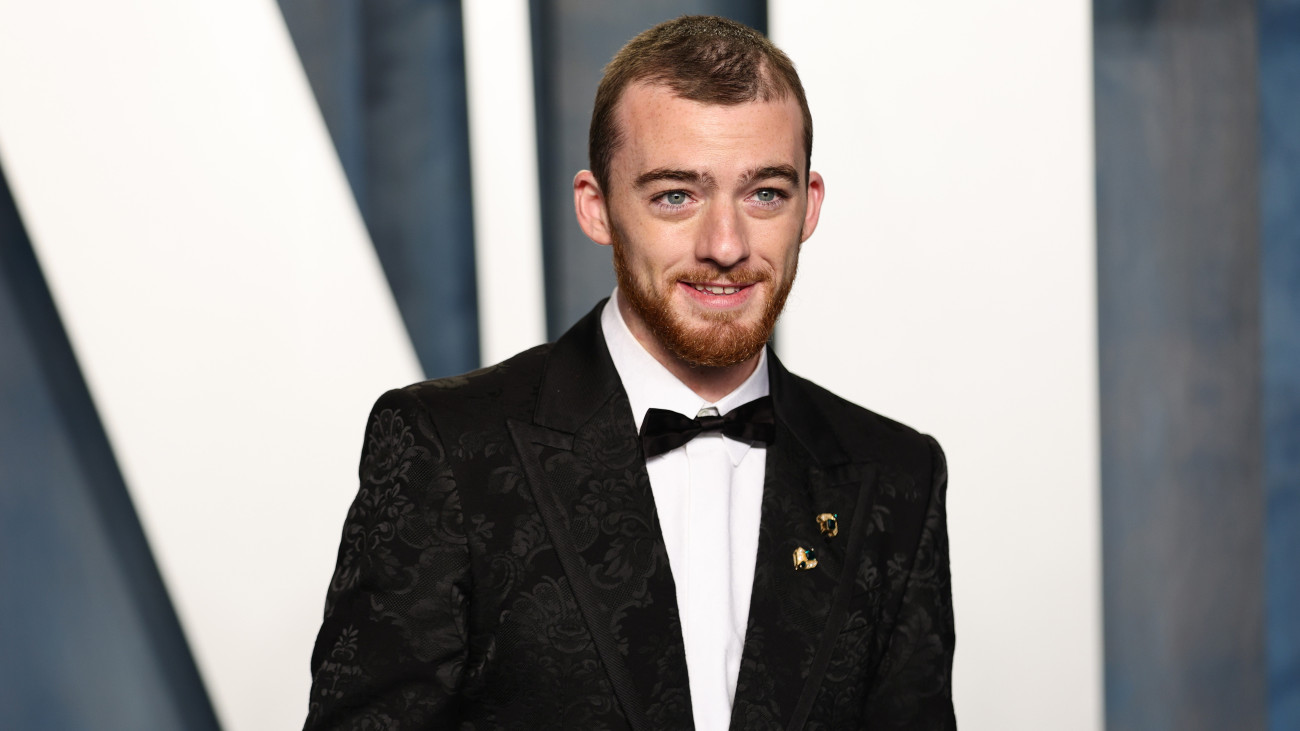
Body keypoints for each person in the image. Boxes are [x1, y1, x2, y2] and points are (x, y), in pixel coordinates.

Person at [305, 14, 953, 730]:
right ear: (598, 208)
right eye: (676, 194)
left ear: (809, 205)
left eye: (765, 192)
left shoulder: (897, 476)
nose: (726, 244)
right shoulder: (448, 450)